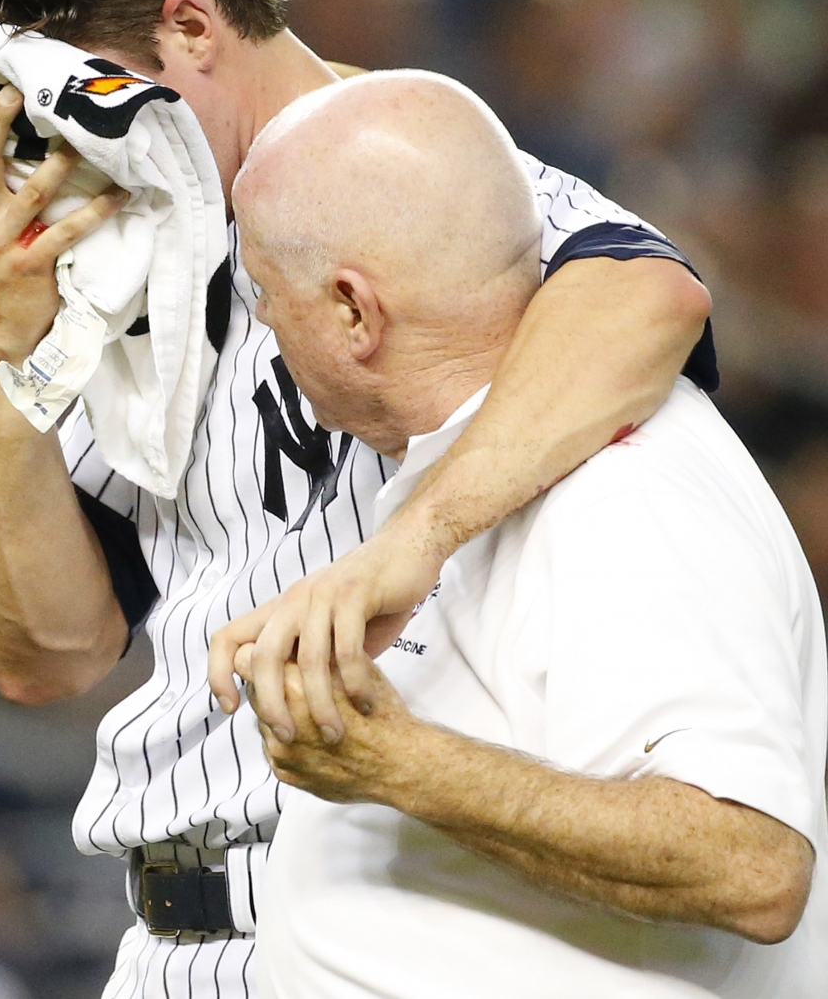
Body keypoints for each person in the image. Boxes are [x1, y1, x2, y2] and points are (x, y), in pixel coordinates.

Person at [0, 0, 714, 996]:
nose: (45, 146)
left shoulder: (414, 175)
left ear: (188, 28)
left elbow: (647, 296)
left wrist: (405, 544)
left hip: (398, 917)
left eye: (59, 96)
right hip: (169, 937)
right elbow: (46, 650)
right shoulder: (111, 264)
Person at [227, 70, 827, 999]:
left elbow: (751, 863)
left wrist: (399, 764)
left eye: (267, 292)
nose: (265, 324)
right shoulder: (457, 473)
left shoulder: (623, 494)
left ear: (354, 310)